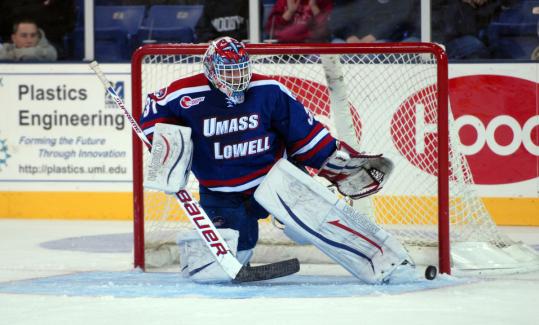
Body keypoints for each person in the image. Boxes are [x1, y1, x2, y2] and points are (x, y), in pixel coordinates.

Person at [140, 37, 414, 283]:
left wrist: (331, 162)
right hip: (221, 192)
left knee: (312, 227)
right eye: (228, 72)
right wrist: (166, 147)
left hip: (275, 179)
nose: (237, 79)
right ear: (211, 70)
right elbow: (152, 113)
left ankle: (388, 260)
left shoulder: (268, 89)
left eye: (240, 71)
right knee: (227, 264)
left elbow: (303, 130)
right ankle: (237, 246)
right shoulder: (183, 94)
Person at [0, 0, 75, 60]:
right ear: (14, 37)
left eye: (33, 35)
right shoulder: (6, 48)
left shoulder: (51, 51)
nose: (29, 40)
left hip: (52, 43)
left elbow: (69, 24)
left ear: (38, 35)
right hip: (10, 41)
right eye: (24, 35)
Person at [329, 0, 416, 43]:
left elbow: (400, 19)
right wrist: (349, 36)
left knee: (376, 51)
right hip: (351, 40)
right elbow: (338, 18)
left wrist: (374, 36)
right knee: (336, 46)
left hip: (384, 40)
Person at [264, 0, 333, 43]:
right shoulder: (284, 1)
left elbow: (326, 32)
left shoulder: (324, 2)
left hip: (312, 47)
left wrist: (313, 6)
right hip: (287, 47)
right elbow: (270, 30)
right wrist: (290, 11)